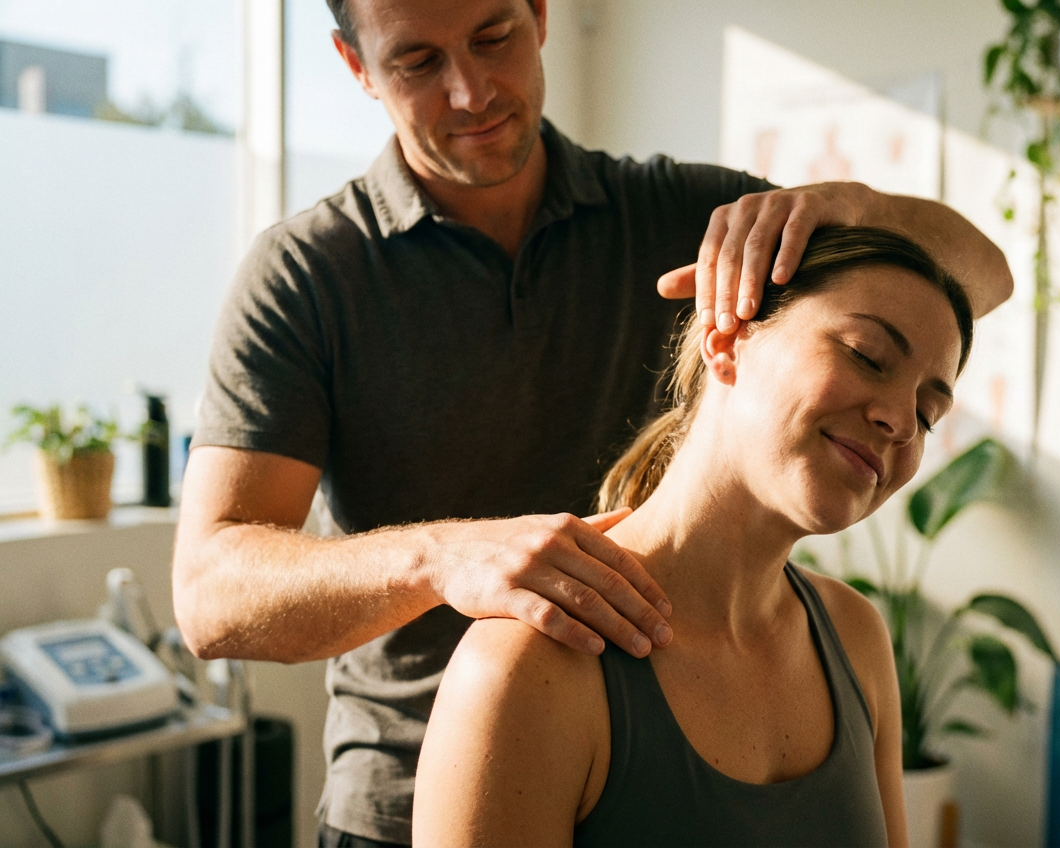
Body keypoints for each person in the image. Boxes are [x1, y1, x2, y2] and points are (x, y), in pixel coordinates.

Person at [171, 0, 1013, 844]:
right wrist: (445, 557)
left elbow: (976, 277)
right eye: (417, 63)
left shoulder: (685, 220)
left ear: (540, 15)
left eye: (493, 38)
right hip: (402, 802)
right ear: (357, 67)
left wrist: (849, 205)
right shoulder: (307, 275)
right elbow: (211, 596)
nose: (469, 92)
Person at [412, 226, 973, 847]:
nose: (898, 420)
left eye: (927, 412)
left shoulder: (855, 637)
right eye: (865, 354)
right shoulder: (528, 665)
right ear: (728, 339)